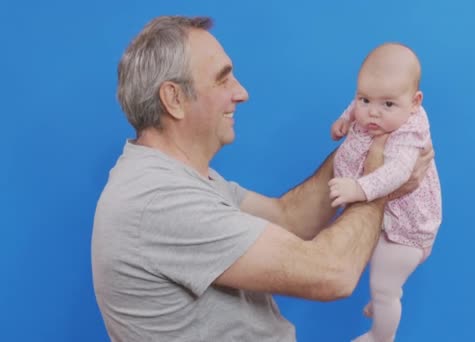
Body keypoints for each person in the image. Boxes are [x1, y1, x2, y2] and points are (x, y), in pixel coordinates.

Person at [91, 16, 433, 341]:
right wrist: (380, 180)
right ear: (174, 99)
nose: (241, 93)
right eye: (223, 79)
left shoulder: (182, 179)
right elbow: (333, 272)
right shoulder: (159, 199)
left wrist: (368, 140)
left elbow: (290, 218)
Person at [329, 43, 443, 341]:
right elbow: (362, 103)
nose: (373, 113)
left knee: (384, 288)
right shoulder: (377, 108)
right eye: (365, 99)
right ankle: (384, 300)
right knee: (376, 271)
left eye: (388, 104)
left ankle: (380, 336)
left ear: (415, 101)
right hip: (387, 223)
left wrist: (359, 187)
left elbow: (398, 174)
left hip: (406, 230)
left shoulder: (408, 133)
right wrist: (346, 117)